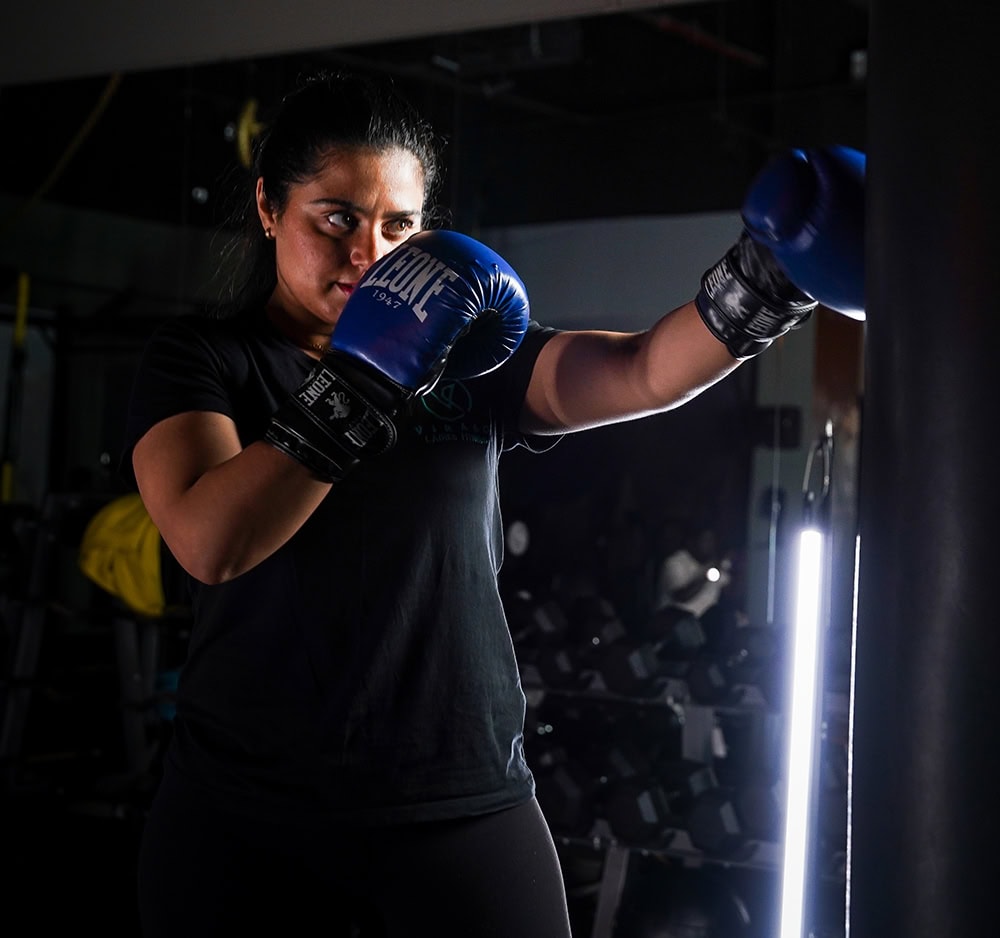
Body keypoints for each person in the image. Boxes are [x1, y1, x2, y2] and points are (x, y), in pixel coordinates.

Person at [121, 68, 864, 938]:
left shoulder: (463, 354)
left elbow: (639, 371)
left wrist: (768, 278)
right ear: (266, 209)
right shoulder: (204, 359)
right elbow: (212, 541)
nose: (370, 254)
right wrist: (366, 375)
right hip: (253, 815)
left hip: (463, 799)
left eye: (399, 225)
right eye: (337, 219)